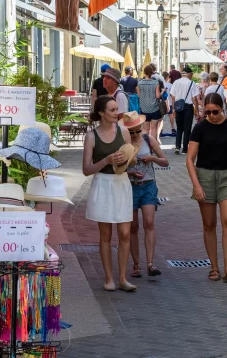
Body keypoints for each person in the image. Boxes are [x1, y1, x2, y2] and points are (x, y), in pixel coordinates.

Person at [186, 93, 227, 283]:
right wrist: (196, 185)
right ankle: (214, 267)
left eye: (214, 111)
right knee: (209, 224)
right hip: (205, 176)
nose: (210, 115)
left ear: (222, 108)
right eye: (207, 112)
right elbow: (190, 158)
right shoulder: (200, 128)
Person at [83, 95, 136, 292]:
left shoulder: (124, 131)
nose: (117, 113)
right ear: (102, 113)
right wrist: (106, 160)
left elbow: (132, 160)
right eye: (112, 110)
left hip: (121, 183)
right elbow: (86, 169)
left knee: (124, 233)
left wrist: (129, 159)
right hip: (103, 184)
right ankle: (109, 278)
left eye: (117, 109)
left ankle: (123, 277)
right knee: (105, 235)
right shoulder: (91, 136)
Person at [123, 112, 169, 279]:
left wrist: (152, 158)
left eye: (136, 131)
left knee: (149, 222)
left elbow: (165, 161)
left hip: (149, 186)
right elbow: (117, 169)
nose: (135, 135)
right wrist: (131, 172)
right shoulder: (123, 144)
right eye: (131, 132)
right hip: (131, 187)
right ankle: (136, 265)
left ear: (141, 128)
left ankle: (150, 263)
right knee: (133, 227)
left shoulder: (149, 140)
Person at [169, 66, 196, 155]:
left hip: (178, 107)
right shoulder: (192, 83)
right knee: (187, 128)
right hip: (188, 107)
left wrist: (173, 109)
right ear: (189, 74)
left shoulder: (176, 82)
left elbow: (173, 97)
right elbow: (194, 98)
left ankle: (177, 147)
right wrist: (197, 110)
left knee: (179, 128)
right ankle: (185, 148)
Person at [137, 65, 162, 139]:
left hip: (144, 109)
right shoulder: (156, 82)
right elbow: (157, 96)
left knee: (145, 129)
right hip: (154, 108)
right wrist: (162, 92)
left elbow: (139, 95)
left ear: (144, 72)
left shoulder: (139, 83)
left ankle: (146, 145)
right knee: (154, 128)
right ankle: (153, 146)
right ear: (152, 73)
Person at [160, 71, 176, 137]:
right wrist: (173, 105)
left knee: (161, 117)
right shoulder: (170, 85)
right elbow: (173, 96)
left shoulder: (160, 84)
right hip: (169, 102)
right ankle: (173, 129)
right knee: (171, 116)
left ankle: (161, 130)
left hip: (161, 103)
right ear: (167, 77)